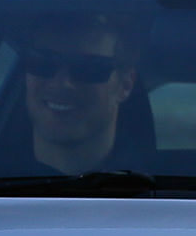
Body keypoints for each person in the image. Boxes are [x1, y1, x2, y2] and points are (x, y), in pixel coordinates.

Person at [17, 14, 144, 173]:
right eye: (42, 62)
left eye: (87, 68)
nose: (62, 83)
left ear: (125, 85)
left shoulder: (167, 189)